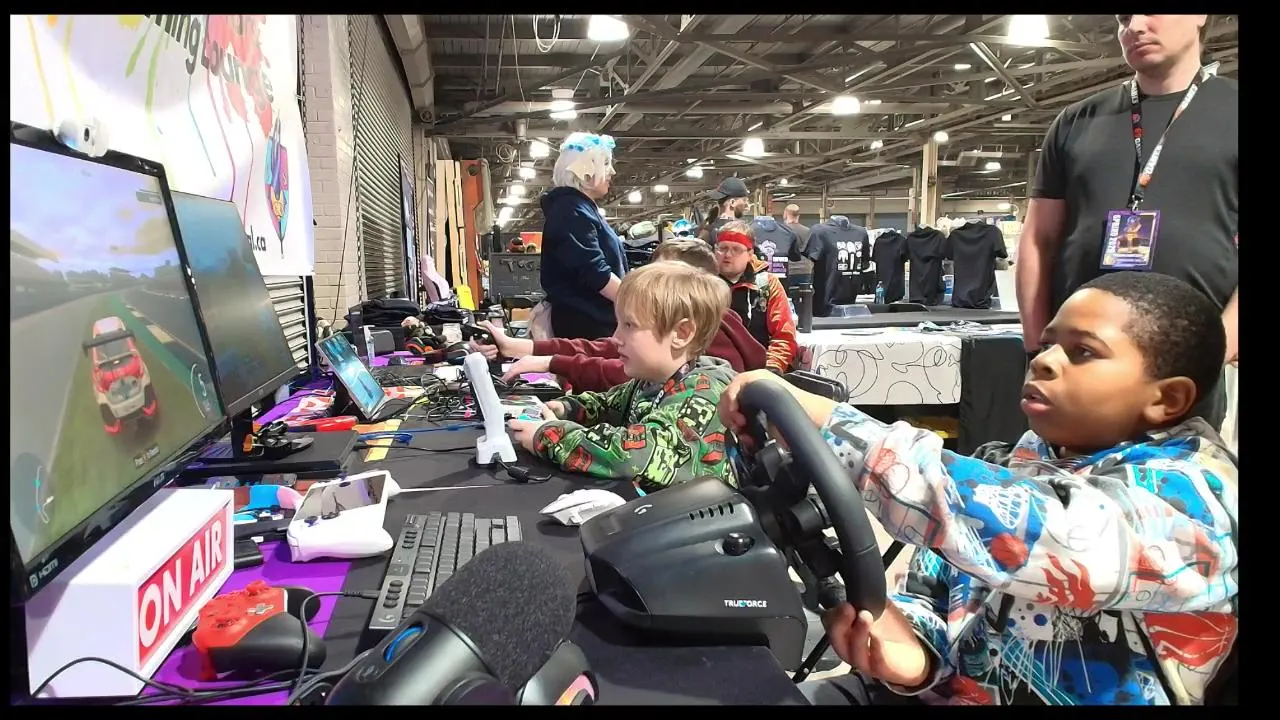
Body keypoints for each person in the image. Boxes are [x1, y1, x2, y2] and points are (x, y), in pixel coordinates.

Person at [720, 271, 1237, 706]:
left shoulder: (1195, 500)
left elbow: (1046, 535)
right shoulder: (1011, 462)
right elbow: (936, 593)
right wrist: (917, 656)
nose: (1044, 360)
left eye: (1082, 352)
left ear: (1167, 399)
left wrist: (833, 423)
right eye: (1047, 344)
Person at [1016, 14, 1237, 430]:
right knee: (1058, 467)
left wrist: (1217, 348)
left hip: (1185, 367)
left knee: (1175, 471)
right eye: (1123, 17)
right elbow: (1038, 240)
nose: (1133, 26)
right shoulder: (1077, 121)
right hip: (1075, 362)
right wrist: (1037, 344)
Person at [507, 261, 738, 492]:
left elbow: (636, 455)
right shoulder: (650, 382)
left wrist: (549, 436)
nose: (616, 337)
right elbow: (606, 405)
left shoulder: (702, 394)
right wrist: (566, 408)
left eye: (629, 325)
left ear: (681, 333)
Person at [471, 240, 767, 392]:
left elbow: (618, 374)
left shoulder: (705, 358)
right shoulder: (678, 340)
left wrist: (551, 363)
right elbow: (605, 349)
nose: (618, 336)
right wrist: (519, 346)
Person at [538, 132, 628, 340]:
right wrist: (638, 304)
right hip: (589, 326)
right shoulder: (571, 211)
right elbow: (595, 272)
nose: (612, 171)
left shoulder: (579, 209)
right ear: (585, 170)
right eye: (605, 164)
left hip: (593, 322)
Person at [714, 220, 798, 373]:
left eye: (736, 249)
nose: (728, 255)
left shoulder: (767, 284)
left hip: (759, 370)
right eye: (723, 248)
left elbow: (784, 336)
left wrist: (771, 369)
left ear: (750, 254)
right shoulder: (703, 284)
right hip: (712, 370)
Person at [698, 177, 751, 245]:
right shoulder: (741, 231)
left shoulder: (706, 231)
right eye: (744, 200)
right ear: (732, 202)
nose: (745, 205)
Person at [782, 204, 814, 287]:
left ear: (785, 214)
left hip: (788, 270)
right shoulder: (808, 231)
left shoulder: (782, 231)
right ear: (798, 216)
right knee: (805, 293)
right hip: (805, 270)